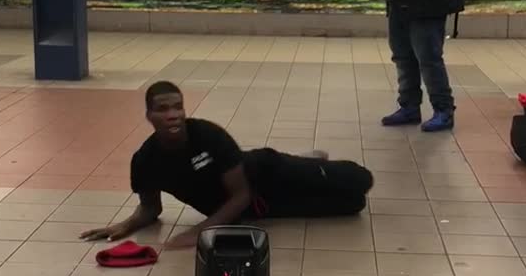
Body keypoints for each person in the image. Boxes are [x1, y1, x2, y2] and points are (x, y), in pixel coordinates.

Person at [80, 81, 374, 249]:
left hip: (269, 172)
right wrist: (126, 224)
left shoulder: (208, 135)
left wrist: (199, 232)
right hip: (255, 211)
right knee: (352, 205)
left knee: (360, 180)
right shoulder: (145, 160)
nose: (173, 115)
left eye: (177, 106)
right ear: (149, 116)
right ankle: (310, 162)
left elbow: (240, 194)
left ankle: (308, 162)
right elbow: (151, 208)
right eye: (163, 109)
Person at [381, 0, 465, 132]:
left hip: (429, 6)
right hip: (398, 3)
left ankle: (444, 110)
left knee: (428, 58)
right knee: (402, 55)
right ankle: (409, 106)